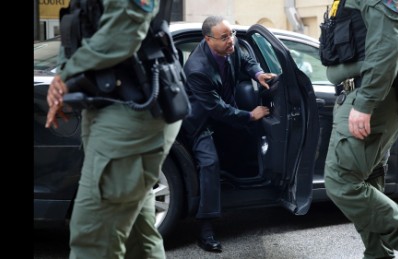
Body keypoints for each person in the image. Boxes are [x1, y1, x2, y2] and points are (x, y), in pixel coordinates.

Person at [45, 0, 181, 258]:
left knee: (93, 240)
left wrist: (65, 77)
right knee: (137, 239)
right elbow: (81, 25)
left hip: (131, 108)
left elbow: (124, 32)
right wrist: (66, 79)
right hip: (110, 106)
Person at [322, 0, 398, 258]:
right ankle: (378, 254)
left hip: (371, 95)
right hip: (359, 93)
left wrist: (365, 102)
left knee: (341, 181)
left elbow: (387, 47)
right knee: (366, 179)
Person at [180, 16, 275, 253]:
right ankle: (206, 228)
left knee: (257, 135)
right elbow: (217, 110)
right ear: (208, 39)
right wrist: (250, 116)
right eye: (224, 37)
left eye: (231, 33)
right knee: (209, 162)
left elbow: (246, 58)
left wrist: (258, 74)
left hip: (224, 112)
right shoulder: (197, 69)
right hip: (201, 120)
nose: (231, 40)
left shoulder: (231, 47)